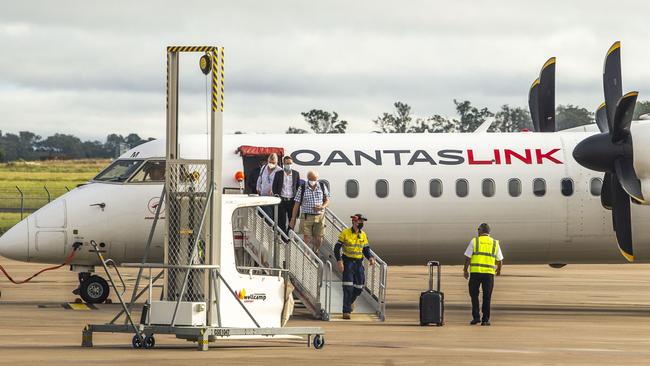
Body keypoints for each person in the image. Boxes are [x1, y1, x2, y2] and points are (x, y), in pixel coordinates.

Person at [334, 214, 375, 320]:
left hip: (358, 263)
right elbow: (336, 248)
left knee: (359, 286)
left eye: (362, 222)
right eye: (359, 222)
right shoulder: (345, 233)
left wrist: (370, 257)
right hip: (348, 262)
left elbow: (366, 249)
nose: (361, 224)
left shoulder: (363, 234)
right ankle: (346, 311)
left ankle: (350, 302)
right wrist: (339, 261)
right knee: (347, 287)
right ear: (353, 222)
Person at [463, 223, 503, 326]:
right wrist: (498, 270)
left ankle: (476, 318)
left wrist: (465, 270)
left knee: (474, 295)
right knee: (487, 297)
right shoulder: (495, 243)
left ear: (480, 231)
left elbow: (468, 257)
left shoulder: (475, 241)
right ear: (489, 232)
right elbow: (500, 260)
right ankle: (485, 319)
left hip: (475, 273)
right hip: (489, 275)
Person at [289, 170, 330, 254]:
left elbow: (327, 201)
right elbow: (297, 203)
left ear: (317, 178)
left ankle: (316, 251)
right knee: (306, 237)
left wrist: (322, 206)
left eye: (314, 179)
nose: (312, 181)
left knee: (319, 238)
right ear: (308, 178)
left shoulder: (322, 186)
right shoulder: (303, 187)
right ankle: (307, 255)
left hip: (320, 216)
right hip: (306, 216)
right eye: (311, 179)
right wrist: (293, 218)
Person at [272, 155, 300, 234]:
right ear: (283, 164)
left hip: (292, 201)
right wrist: (277, 195)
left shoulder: (296, 174)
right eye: (287, 163)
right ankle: (283, 236)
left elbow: (298, 187)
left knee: (292, 219)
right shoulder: (278, 174)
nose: (289, 165)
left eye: (290, 163)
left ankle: (289, 235)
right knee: (282, 220)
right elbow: (274, 187)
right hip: (282, 200)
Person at [256, 153, 282, 219]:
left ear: (277, 162)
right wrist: (258, 187)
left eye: (273, 162)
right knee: (263, 214)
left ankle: (270, 228)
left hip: (272, 197)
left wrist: (273, 190)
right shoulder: (264, 167)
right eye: (270, 162)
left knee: (270, 215)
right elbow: (260, 178)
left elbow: (280, 184)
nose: (271, 164)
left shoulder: (280, 170)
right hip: (262, 195)